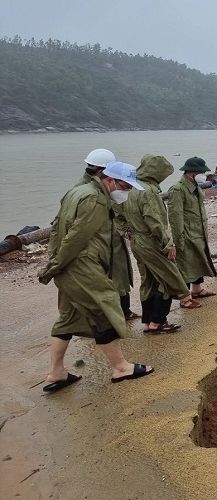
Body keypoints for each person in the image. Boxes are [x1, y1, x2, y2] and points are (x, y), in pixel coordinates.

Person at [38, 161, 154, 392]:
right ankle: (121, 368)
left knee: (69, 316)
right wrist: (54, 266)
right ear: (109, 180)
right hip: (80, 263)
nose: (127, 191)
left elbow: (56, 227)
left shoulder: (77, 191)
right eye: (125, 186)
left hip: (70, 264)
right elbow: (75, 238)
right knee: (105, 307)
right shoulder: (95, 199)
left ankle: (57, 372)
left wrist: (55, 261)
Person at [124, 154, 191, 333]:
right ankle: (158, 321)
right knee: (168, 278)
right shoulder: (149, 191)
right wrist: (168, 243)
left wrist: (128, 232)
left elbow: (121, 215)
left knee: (149, 280)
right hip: (150, 241)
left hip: (137, 240)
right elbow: (154, 220)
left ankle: (148, 322)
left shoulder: (133, 188)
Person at [79, 149, 139, 321]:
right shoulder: (88, 191)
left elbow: (118, 209)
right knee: (105, 280)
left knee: (120, 276)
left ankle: (124, 311)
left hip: (112, 238)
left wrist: (124, 228)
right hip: (100, 243)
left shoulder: (102, 186)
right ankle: (107, 317)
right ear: (101, 171)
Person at [168, 156, 217, 308]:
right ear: (191, 173)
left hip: (199, 231)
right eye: (201, 172)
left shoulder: (195, 187)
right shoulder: (178, 190)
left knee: (198, 259)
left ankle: (197, 289)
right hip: (187, 233)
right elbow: (175, 216)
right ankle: (185, 298)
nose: (204, 175)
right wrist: (178, 239)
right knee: (186, 264)